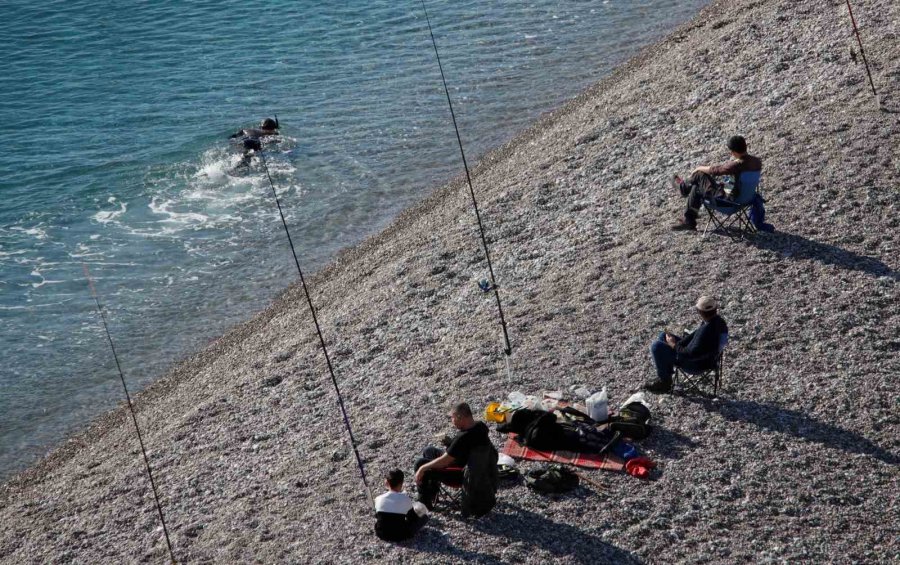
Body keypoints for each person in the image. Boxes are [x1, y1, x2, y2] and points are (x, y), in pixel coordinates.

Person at [671, 135, 762, 231]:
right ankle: (689, 220)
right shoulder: (757, 162)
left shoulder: (736, 165)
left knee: (699, 175)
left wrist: (698, 168)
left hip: (727, 203)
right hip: (745, 201)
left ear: (733, 152)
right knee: (698, 187)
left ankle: (683, 188)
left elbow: (716, 170)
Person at [414, 402, 491, 510]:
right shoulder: (480, 426)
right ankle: (432, 491)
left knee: (420, 463)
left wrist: (423, 468)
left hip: (459, 474)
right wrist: (451, 444)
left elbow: (445, 461)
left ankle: (424, 503)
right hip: (474, 466)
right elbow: (466, 447)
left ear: (460, 417)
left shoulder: (462, 437)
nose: (452, 421)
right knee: (429, 451)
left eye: (452, 418)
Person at [645, 295, 728, 393]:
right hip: (708, 359)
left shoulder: (707, 330)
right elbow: (694, 336)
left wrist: (674, 345)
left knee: (656, 346)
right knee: (664, 335)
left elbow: (690, 354)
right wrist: (678, 343)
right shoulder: (718, 322)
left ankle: (665, 382)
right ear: (715, 309)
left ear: (700, 311)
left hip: (696, 365)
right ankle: (666, 376)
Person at [374, 469, 429, 542]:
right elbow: (413, 518)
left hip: (381, 533)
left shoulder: (378, 498)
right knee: (425, 518)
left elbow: (377, 516)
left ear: (387, 482)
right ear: (401, 483)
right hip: (401, 535)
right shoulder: (405, 498)